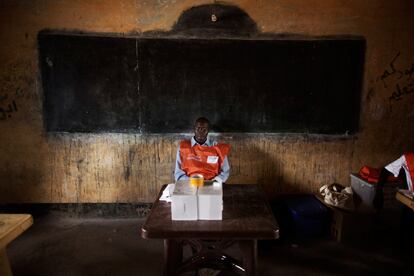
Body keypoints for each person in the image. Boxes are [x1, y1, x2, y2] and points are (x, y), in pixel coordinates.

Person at [174, 117, 230, 184]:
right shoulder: (183, 148)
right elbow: (178, 173)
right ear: (194, 129)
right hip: (189, 184)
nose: (201, 132)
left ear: (208, 130)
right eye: (198, 128)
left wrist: (213, 182)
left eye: (204, 129)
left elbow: (225, 171)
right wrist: (194, 182)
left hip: (212, 185)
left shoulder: (218, 148)